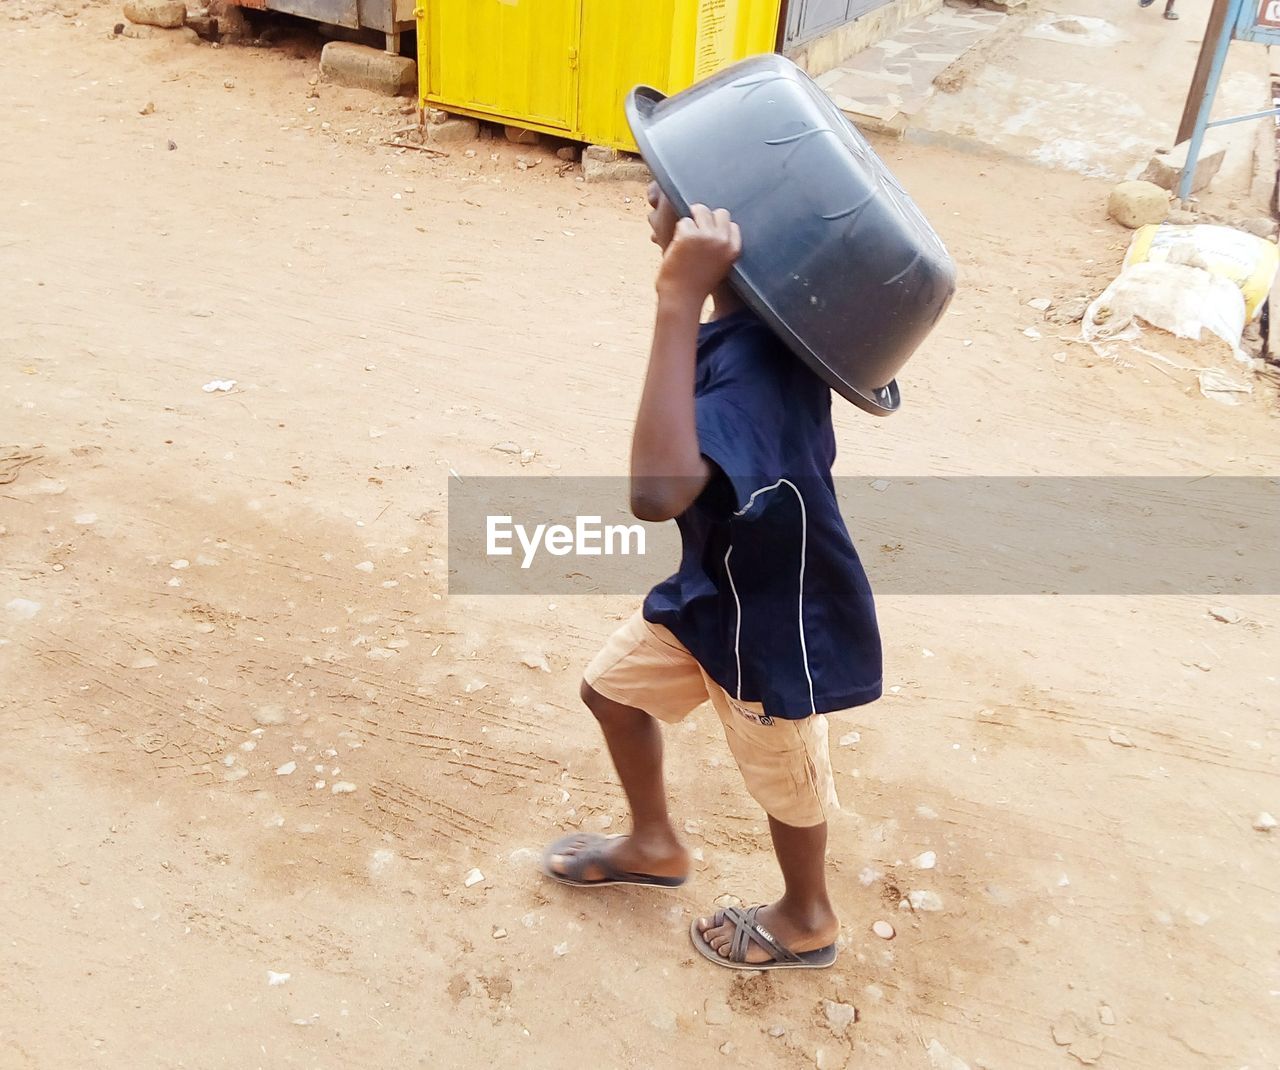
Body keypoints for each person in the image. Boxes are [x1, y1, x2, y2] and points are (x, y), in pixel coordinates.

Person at [540, 183, 883, 970]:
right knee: (611, 692)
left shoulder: (758, 365)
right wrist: (695, 303)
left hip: (773, 621)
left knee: (787, 781)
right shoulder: (748, 328)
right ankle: (655, 844)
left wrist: (675, 298)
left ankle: (807, 917)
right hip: (715, 587)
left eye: (673, 180)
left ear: (732, 234)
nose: (651, 189)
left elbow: (655, 493)